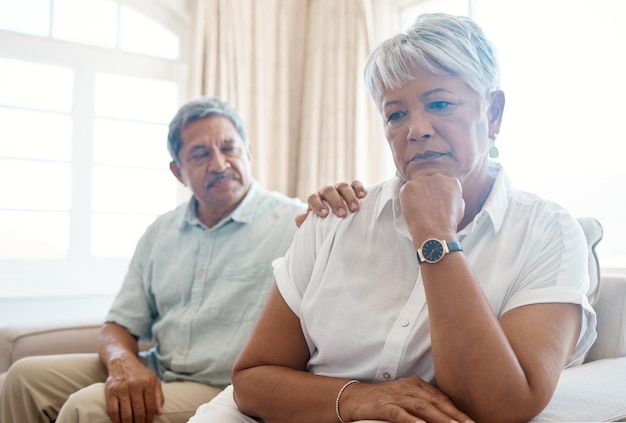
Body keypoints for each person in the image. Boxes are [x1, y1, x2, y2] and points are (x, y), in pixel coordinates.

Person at [188, 13, 597, 423]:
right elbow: (252, 378)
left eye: (439, 104)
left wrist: (435, 237)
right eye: (395, 115)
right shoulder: (336, 218)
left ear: (493, 113)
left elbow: (502, 404)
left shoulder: (549, 234)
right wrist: (356, 398)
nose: (416, 130)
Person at [0, 97, 365, 423]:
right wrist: (124, 363)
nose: (220, 163)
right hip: (158, 368)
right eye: (200, 154)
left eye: (229, 148)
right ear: (177, 171)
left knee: (88, 408)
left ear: (248, 153)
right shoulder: (161, 231)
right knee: (22, 378)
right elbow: (119, 325)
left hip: (225, 386)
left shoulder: (296, 223)